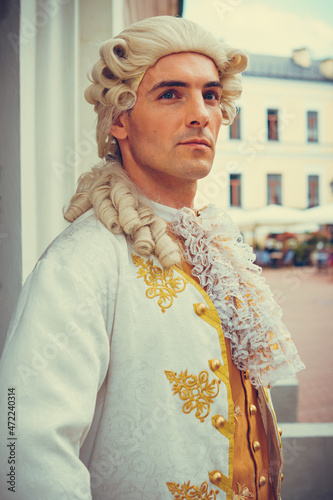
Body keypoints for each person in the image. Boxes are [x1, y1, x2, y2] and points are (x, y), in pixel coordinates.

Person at [0, 15, 305, 500]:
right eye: (170, 94)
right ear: (119, 120)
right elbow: (23, 449)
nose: (200, 113)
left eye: (210, 95)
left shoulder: (214, 248)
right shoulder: (82, 261)